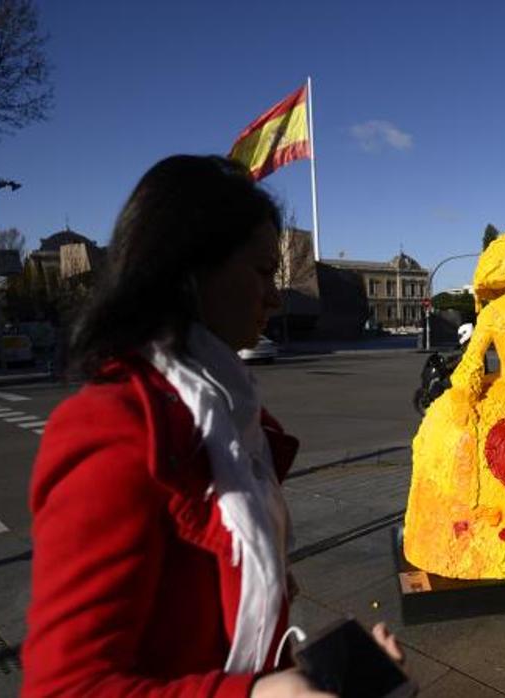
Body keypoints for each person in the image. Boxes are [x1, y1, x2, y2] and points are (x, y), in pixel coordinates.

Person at [22, 155, 402, 697]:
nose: (274, 295)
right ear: (191, 269)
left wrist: (313, 676)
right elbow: (63, 688)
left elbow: (230, 631)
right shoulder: (112, 426)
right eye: (262, 271)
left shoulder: (231, 414)